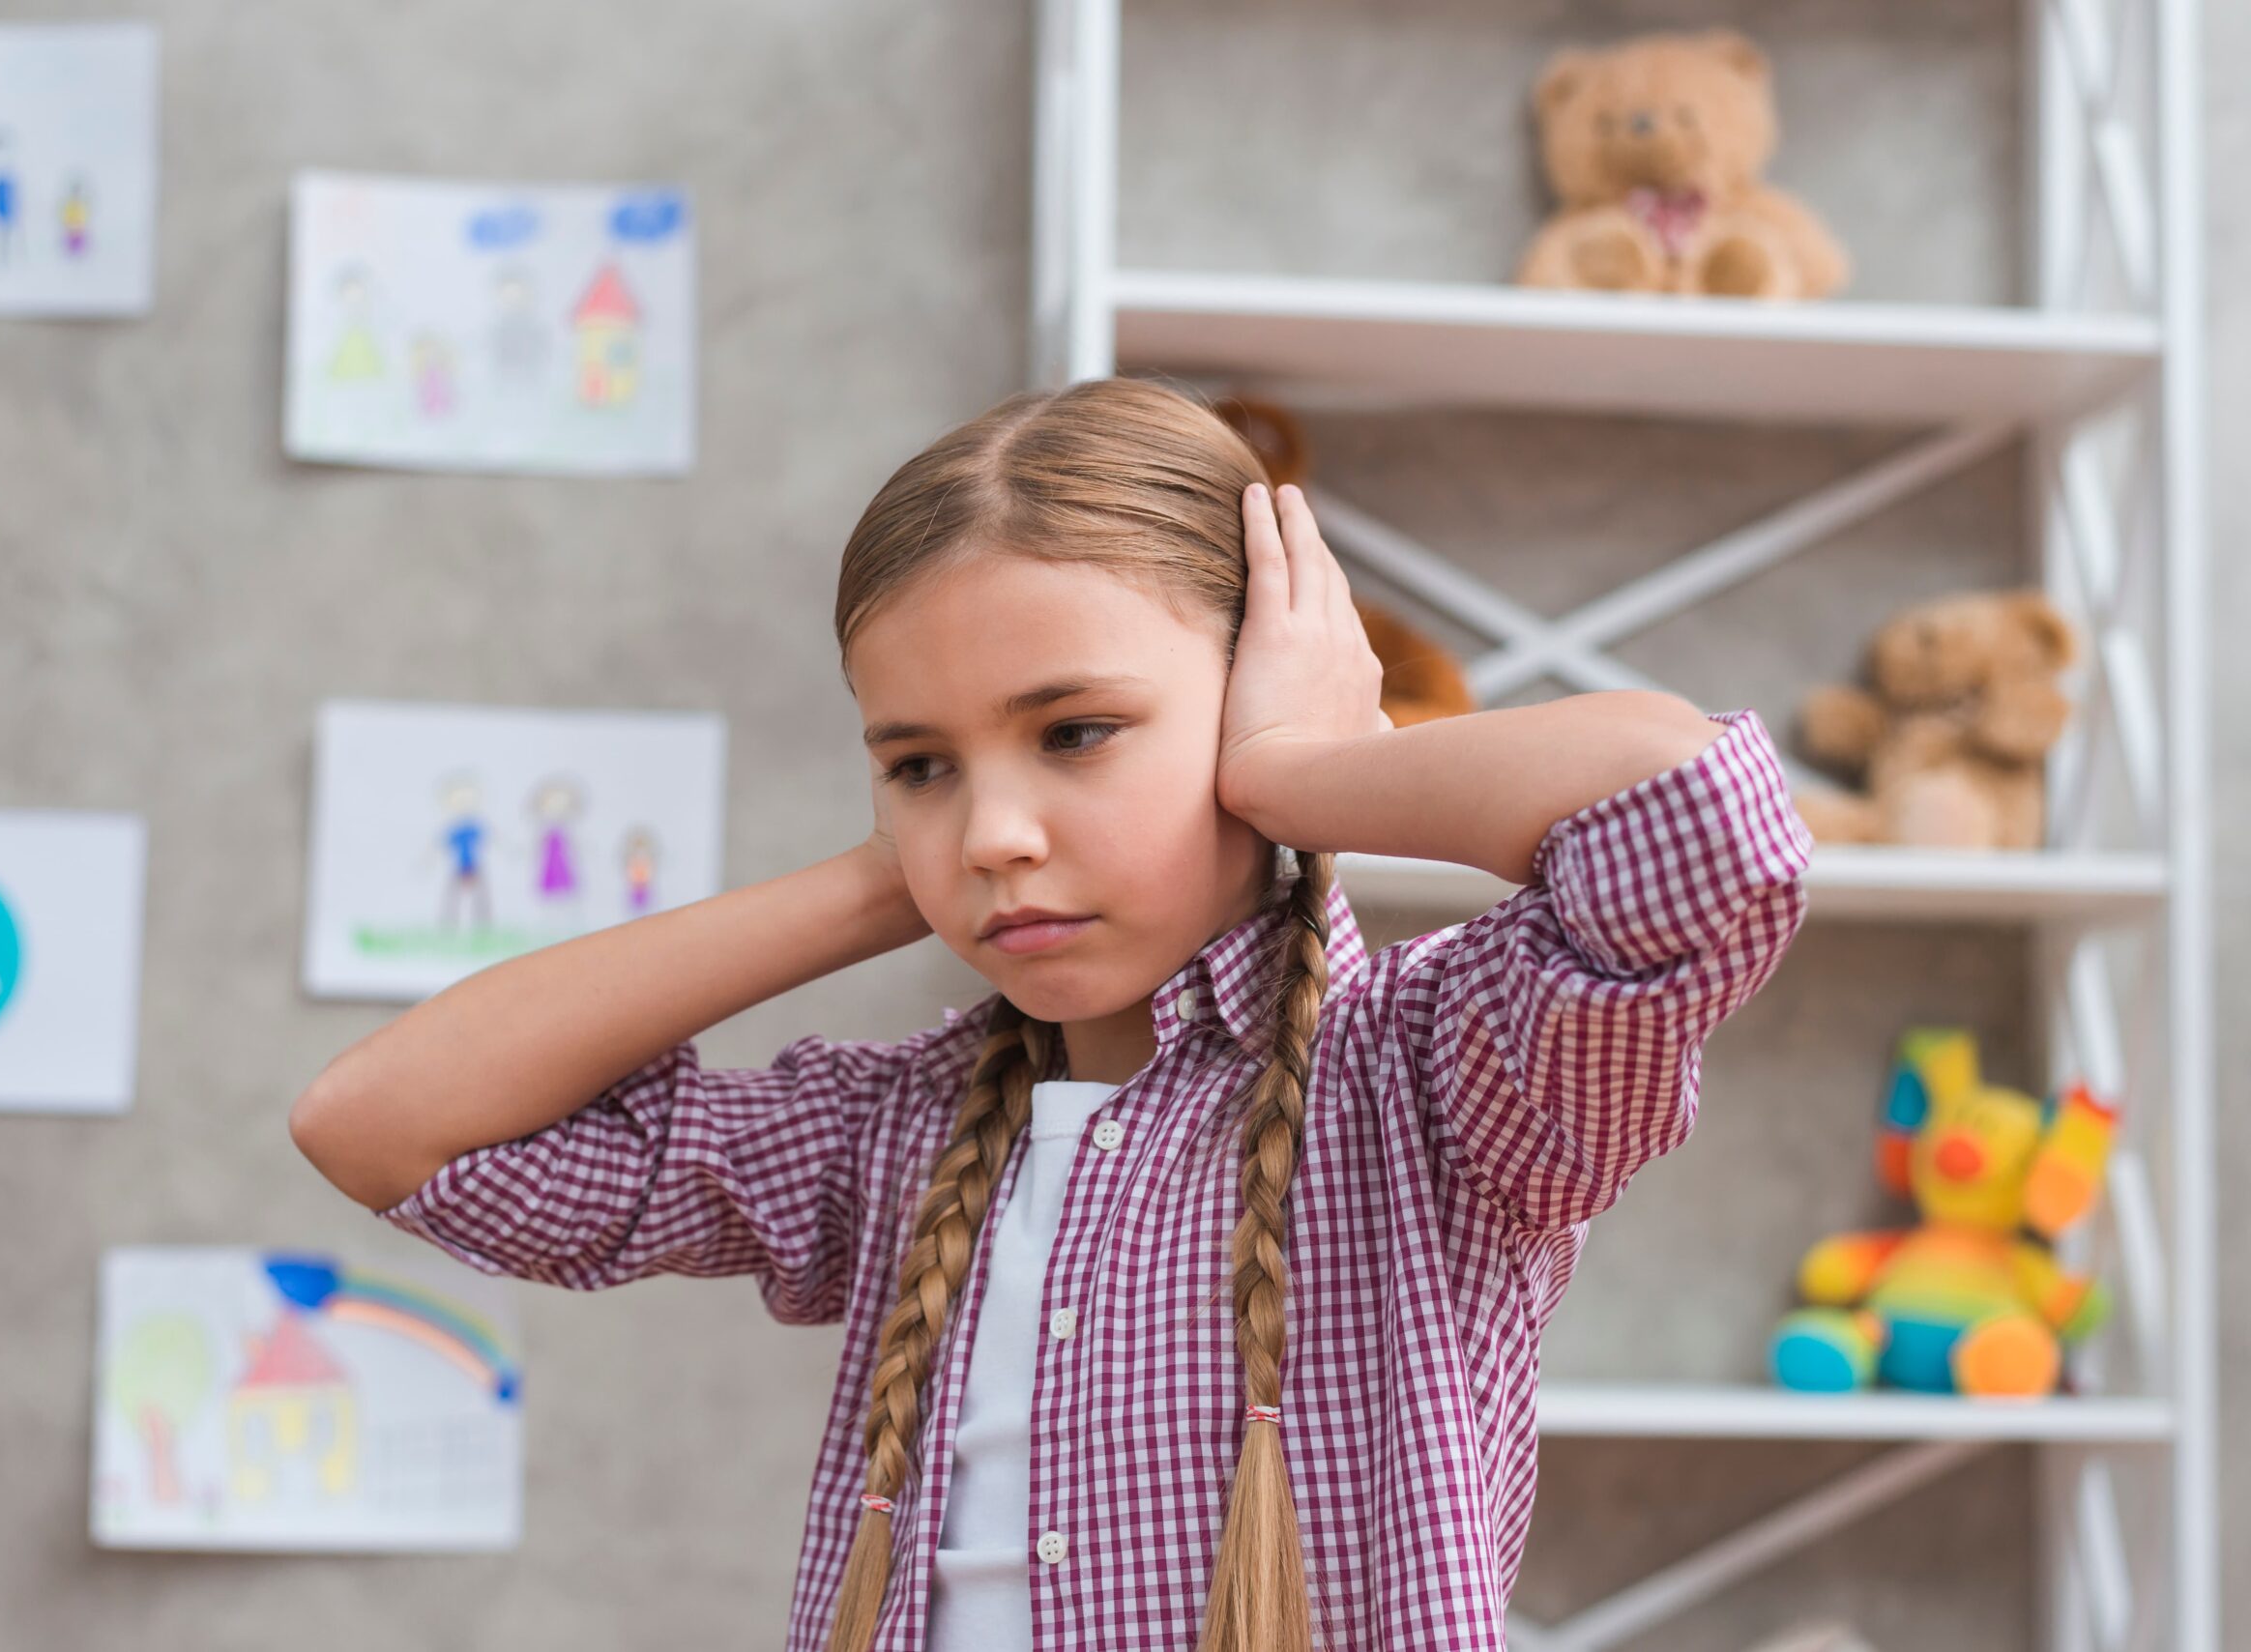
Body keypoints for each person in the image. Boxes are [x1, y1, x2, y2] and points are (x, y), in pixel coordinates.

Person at [290, 377, 1813, 1651]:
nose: (997, 829)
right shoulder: (891, 1129)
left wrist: (1298, 771)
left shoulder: (1436, 1076)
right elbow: (383, 1125)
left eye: (1075, 732)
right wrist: (888, 881)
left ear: (1246, 697)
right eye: (920, 759)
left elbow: (1699, 829)